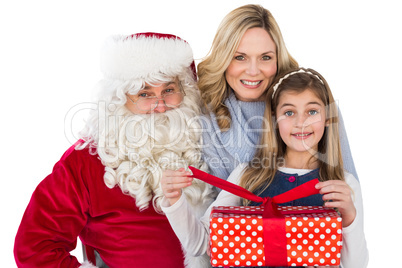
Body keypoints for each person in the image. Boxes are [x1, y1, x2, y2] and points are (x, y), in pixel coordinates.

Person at [14, 32, 216, 268]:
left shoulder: (209, 144)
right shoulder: (85, 161)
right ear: (118, 100)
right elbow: (35, 246)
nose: (160, 106)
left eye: (169, 90)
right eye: (144, 94)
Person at [161, 68, 369, 268]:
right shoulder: (246, 176)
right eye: (289, 112)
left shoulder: (342, 184)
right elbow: (202, 243)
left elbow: (356, 265)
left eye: (312, 111)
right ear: (274, 120)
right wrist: (173, 199)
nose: (300, 122)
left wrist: (349, 216)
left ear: (328, 119)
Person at [197, 4, 358, 181]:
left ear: (278, 59)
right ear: (223, 59)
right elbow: (214, 204)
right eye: (240, 57)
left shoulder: (315, 105)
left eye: (265, 57)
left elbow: (348, 188)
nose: (253, 71)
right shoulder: (208, 118)